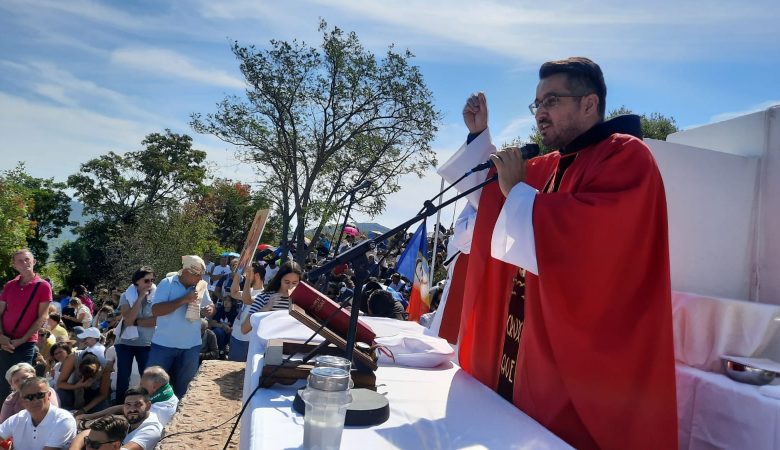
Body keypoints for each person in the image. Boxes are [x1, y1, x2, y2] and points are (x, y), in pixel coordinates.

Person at [439, 57, 677, 449]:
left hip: (590, 358)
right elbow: (495, 197)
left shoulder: (625, 155)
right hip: (530, 349)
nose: (540, 114)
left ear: (589, 104)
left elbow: (595, 240)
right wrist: (480, 138)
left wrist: (519, 195)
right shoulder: (551, 164)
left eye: (551, 101)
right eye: (537, 105)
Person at [146, 256, 215, 398]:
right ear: (185, 271)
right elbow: (156, 311)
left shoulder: (201, 285)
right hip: (163, 345)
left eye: (201, 274)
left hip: (191, 346)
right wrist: (184, 299)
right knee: (153, 386)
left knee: (186, 389)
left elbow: (211, 306)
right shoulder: (167, 283)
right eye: (196, 274)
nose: (199, 277)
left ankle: (179, 418)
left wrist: (210, 309)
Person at [0, 249, 53, 401]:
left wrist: (22, 340)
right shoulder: (10, 285)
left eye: (27, 259)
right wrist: (1, 337)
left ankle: (22, 418)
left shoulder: (43, 286)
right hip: (4, 340)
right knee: (3, 383)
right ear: (14, 265)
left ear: (34, 261)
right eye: (20, 261)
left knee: (22, 382)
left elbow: (42, 316)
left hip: (25, 343)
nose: (25, 263)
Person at [75, 365, 179, 428]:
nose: (139, 386)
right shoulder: (167, 393)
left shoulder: (157, 409)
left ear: (155, 386)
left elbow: (119, 420)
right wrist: (89, 416)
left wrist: (86, 423)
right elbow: (121, 407)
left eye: (142, 384)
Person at [115, 267, 156, 405]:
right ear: (136, 281)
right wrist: (140, 298)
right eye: (146, 280)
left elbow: (156, 321)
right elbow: (127, 320)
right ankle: (121, 406)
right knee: (123, 376)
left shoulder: (157, 295)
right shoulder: (126, 296)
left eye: (152, 280)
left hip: (146, 342)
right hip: (125, 342)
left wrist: (136, 322)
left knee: (147, 377)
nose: (150, 283)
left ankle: (146, 404)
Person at [71, 387, 161, 450]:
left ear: (148, 406)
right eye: (128, 404)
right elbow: (86, 433)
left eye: (138, 405)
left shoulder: (151, 430)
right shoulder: (134, 419)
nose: (132, 409)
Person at [0, 377, 76, 450]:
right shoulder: (18, 418)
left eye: (40, 395)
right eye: (29, 397)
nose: (35, 400)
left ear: (49, 395)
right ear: (22, 400)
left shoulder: (63, 420)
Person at [240, 261, 302, 335]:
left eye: (294, 283)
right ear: (280, 280)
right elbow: (244, 329)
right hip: (268, 345)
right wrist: (266, 308)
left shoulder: (301, 302)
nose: (290, 286)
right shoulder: (264, 297)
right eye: (287, 282)